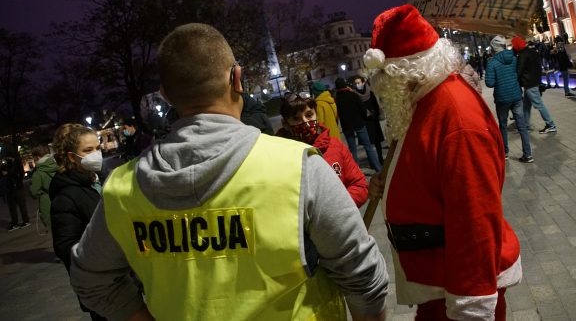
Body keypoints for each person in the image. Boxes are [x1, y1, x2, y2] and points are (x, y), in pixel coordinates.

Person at [69, 23, 388, 321]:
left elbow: (90, 280)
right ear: (237, 79)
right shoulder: (297, 167)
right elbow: (363, 276)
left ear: (166, 95)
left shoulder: (122, 190)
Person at [364, 5, 521, 321]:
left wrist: (471, 308)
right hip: (438, 289)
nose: (382, 88)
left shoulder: (455, 114)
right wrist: (389, 180)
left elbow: (474, 222)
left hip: (458, 296)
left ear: (408, 71)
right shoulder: (424, 100)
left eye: (387, 77)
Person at [49, 123, 106, 321]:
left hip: (128, 278)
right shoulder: (66, 196)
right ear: (72, 157)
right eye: (88, 150)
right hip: (100, 287)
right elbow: (65, 246)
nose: (96, 154)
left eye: (98, 148)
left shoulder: (103, 179)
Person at [277, 93, 368, 207]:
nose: (305, 122)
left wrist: (337, 208)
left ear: (316, 114)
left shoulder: (335, 146)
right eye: (296, 118)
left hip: (341, 220)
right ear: (286, 123)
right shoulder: (279, 156)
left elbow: (359, 185)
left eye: (309, 115)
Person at [486, 35, 534, 162]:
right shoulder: (513, 58)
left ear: (494, 48)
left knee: (503, 125)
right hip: (516, 95)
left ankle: (505, 153)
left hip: (502, 98)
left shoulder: (492, 63)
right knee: (522, 126)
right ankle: (528, 154)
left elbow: (489, 83)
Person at [510, 36, 557, 135]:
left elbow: (520, 70)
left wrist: (513, 79)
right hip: (533, 82)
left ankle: (550, 124)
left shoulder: (523, 55)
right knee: (526, 106)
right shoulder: (532, 52)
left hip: (529, 83)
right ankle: (525, 125)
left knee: (539, 105)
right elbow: (538, 67)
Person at [334, 77, 383, 172]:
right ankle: (378, 168)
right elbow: (362, 109)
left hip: (347, 126)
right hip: (359, 123)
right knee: (368, 146)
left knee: (353, 150)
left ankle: (356, 172)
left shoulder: (336, 99)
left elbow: (337, 114)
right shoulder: (353, 95)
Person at [353, 76, 385, 165]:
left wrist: (375, 114)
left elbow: (376, 106)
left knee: (377, 141)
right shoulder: (355, 96)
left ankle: (380, 158)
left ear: (363, 83)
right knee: (368, 143)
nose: (357, 85)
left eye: (358, 82)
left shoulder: (370, 93)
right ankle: (372, 161)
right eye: (356, 83)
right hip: (365, 122)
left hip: (373, 120)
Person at [29, 145, 57, 231]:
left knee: (55, 230)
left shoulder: (38, 173)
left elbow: (34, 192)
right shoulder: (57, 166)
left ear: (37, 157)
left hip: (47, 202)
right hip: (61, 198)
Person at [1, 149, 30, 231]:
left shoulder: (17, 163)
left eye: (7, 156)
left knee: (22, 206)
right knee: (12, 207)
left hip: (18, 188)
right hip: (10, 189)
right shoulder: (7, 163)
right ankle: (15, 223)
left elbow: (20, 175)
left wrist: (9, 173)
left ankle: (26, 221)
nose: (6, 158)